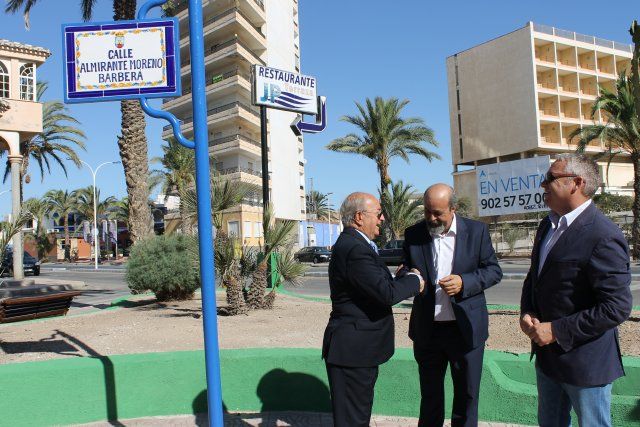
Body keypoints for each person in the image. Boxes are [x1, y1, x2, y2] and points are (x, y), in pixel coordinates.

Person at [520, 154, 632, 427]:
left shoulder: (603, 235)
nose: (542, 184)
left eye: (550, 178)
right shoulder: (547, 224)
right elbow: (535, 276)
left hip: (585, 364)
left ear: (577, 183)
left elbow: (616, 307)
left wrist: (556, 331)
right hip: (548, 359)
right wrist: (527, 310)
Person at [402, 183, 502, 427]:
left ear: (453, 208)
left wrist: (464, 282)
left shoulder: (476, 231)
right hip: (428, 331)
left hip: (465, 330)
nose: (431, 218)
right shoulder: (414, 234)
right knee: (430, 398)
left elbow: (493, 271)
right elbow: (405, 269)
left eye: (438, 213)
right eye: (427, 211)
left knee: (467, 397)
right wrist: (407, 275)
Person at [322, 192, 425, 427]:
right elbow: (386, 294)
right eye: (378, 214)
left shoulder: (357, 245)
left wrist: (401, 277)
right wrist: (414, 281)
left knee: (358, 415)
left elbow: (376, 286)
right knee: (353, 420)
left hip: (357, 351)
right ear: (359, 217)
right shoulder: (355, 248)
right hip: (352, 352)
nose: (382, 219)